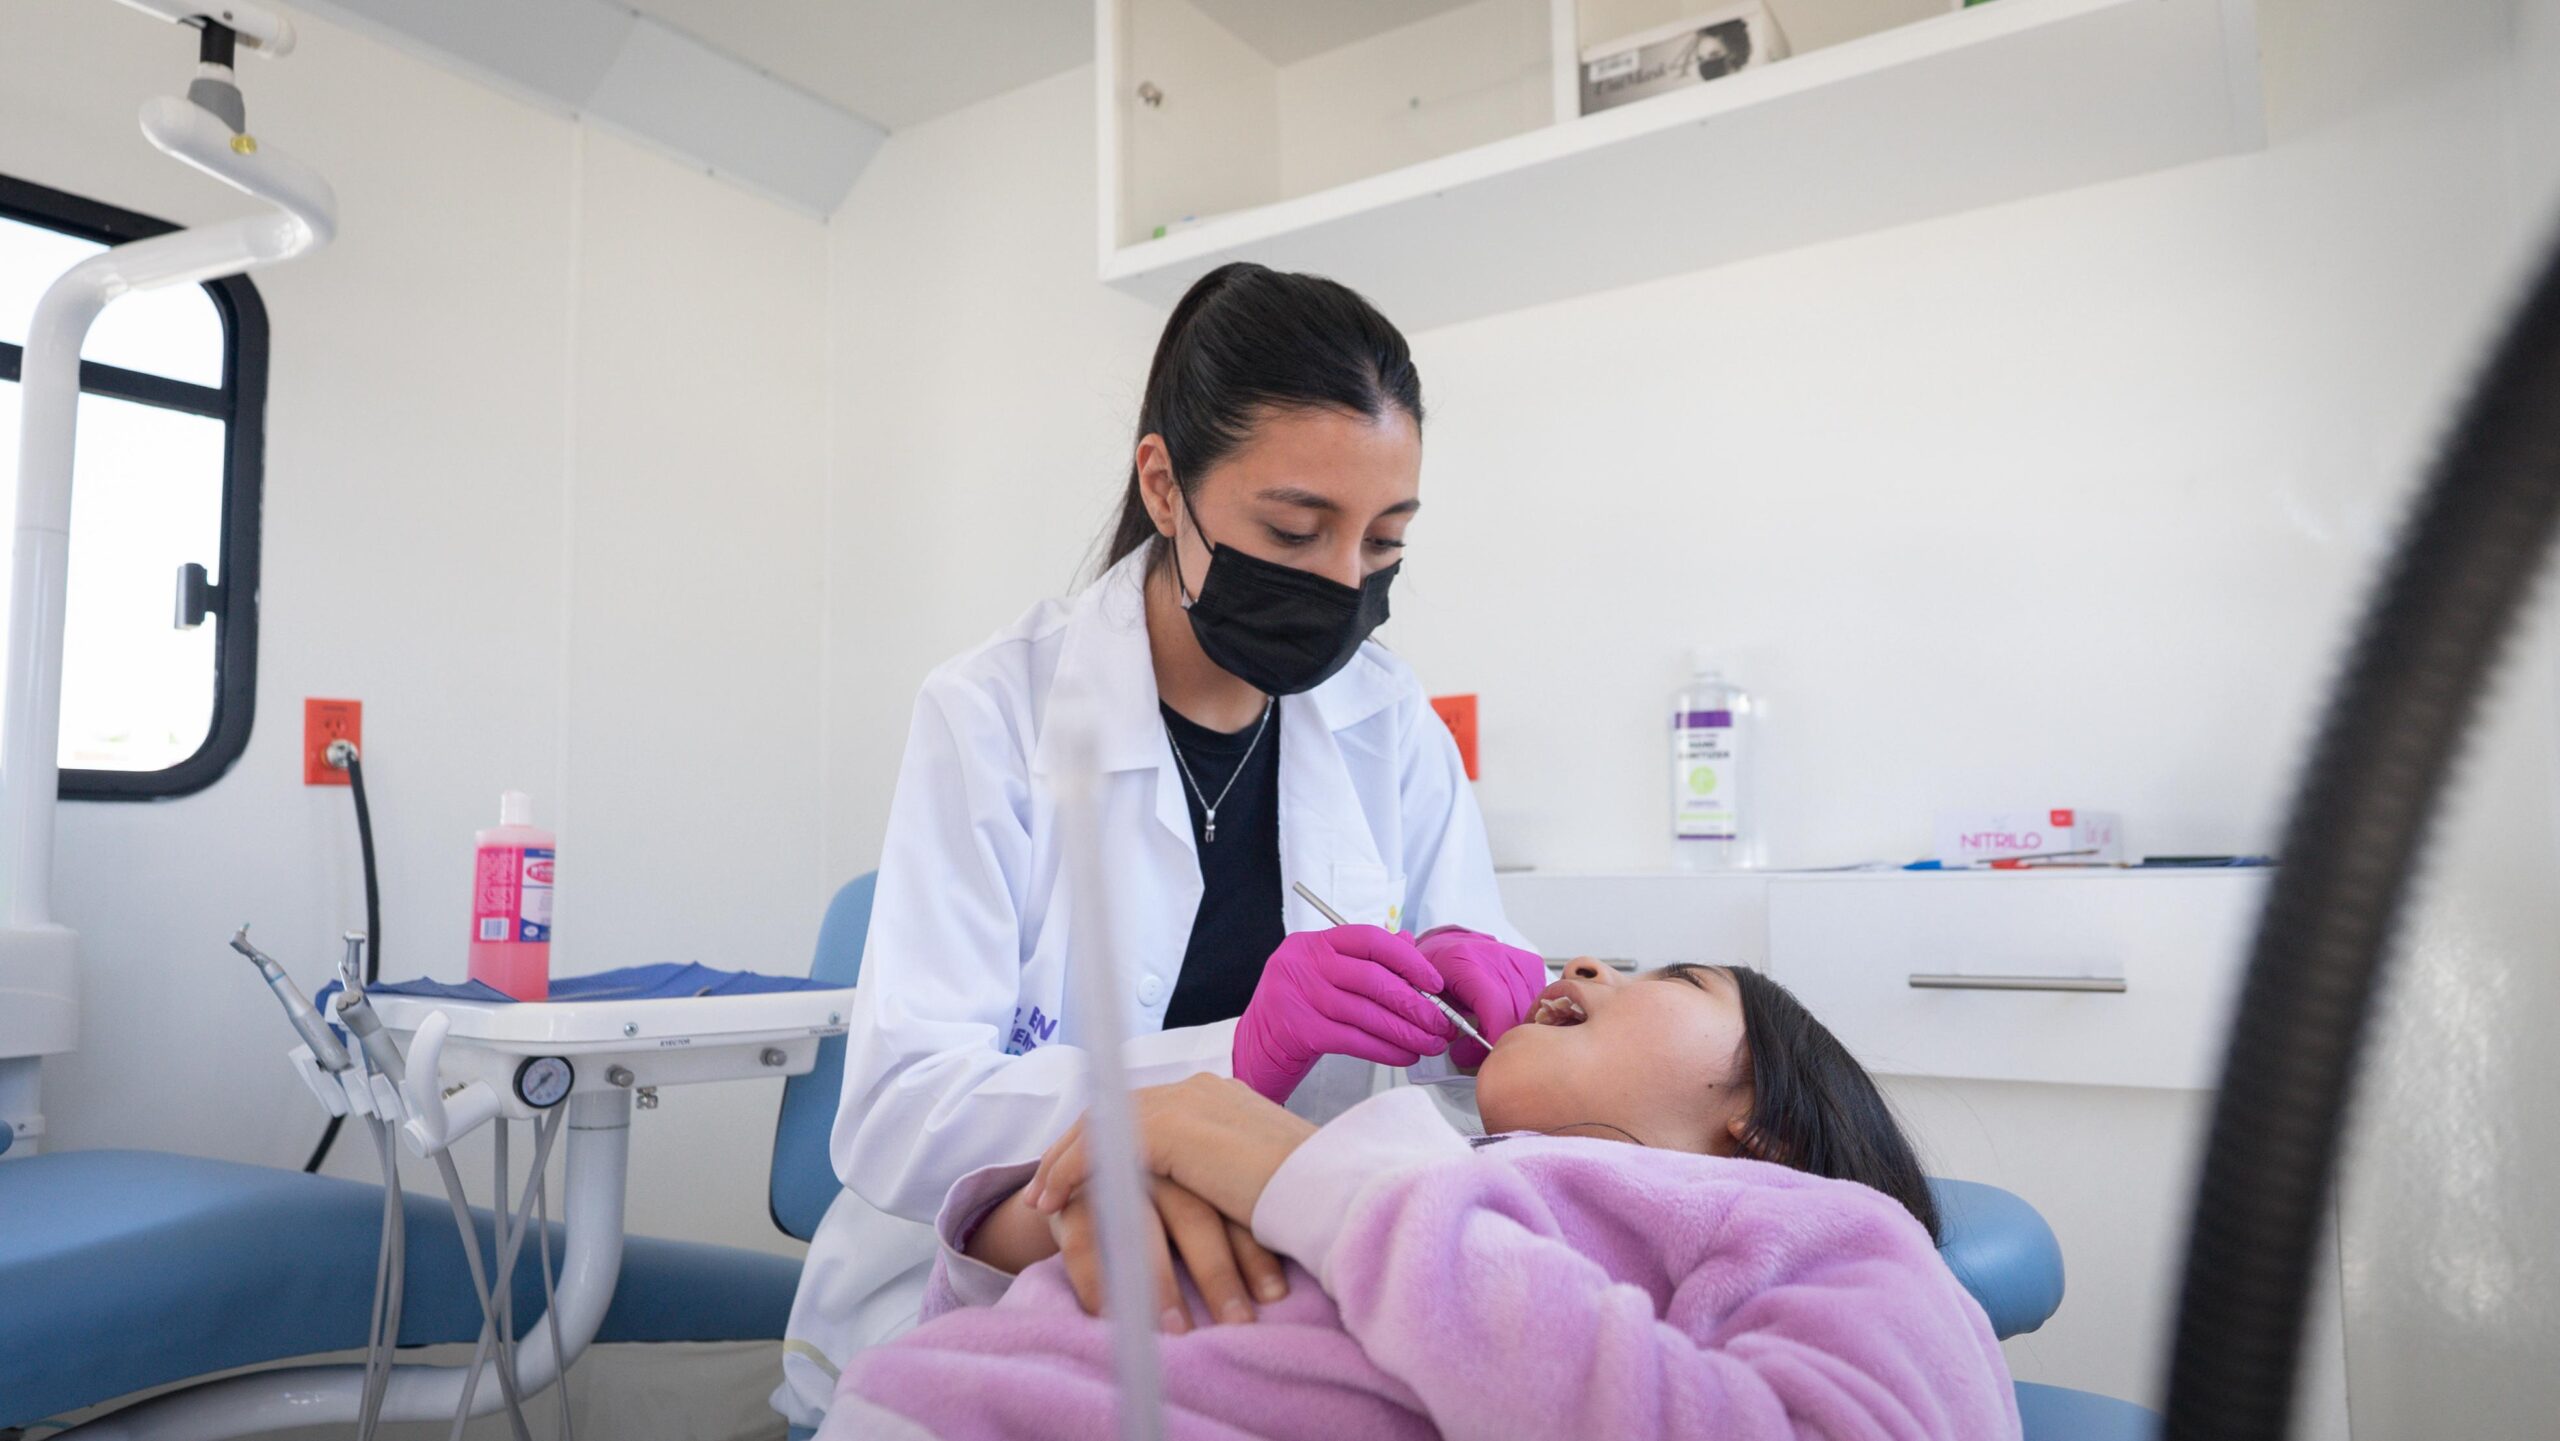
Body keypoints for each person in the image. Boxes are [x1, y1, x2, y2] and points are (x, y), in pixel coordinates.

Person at [778, 264, 1549, 1429]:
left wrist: (1482, 1023)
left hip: (1270, 1285)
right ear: (1165, 486)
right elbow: (900, 1114)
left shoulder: (1389, 723)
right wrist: (1239, 1056)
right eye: (1295, 529)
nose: (1345, 582)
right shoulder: (992, 714)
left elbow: (1468, 1098)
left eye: (1385, 540)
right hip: (1001, 1293)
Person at [817, 959, 2017, 1440]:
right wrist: (1051, 1210)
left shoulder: (1836, 1230)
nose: (1580, 964)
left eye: (1673, 974)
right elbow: (1006, 1308)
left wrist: (1317, 1182)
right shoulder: (1425, 1163)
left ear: (1770, 1125)